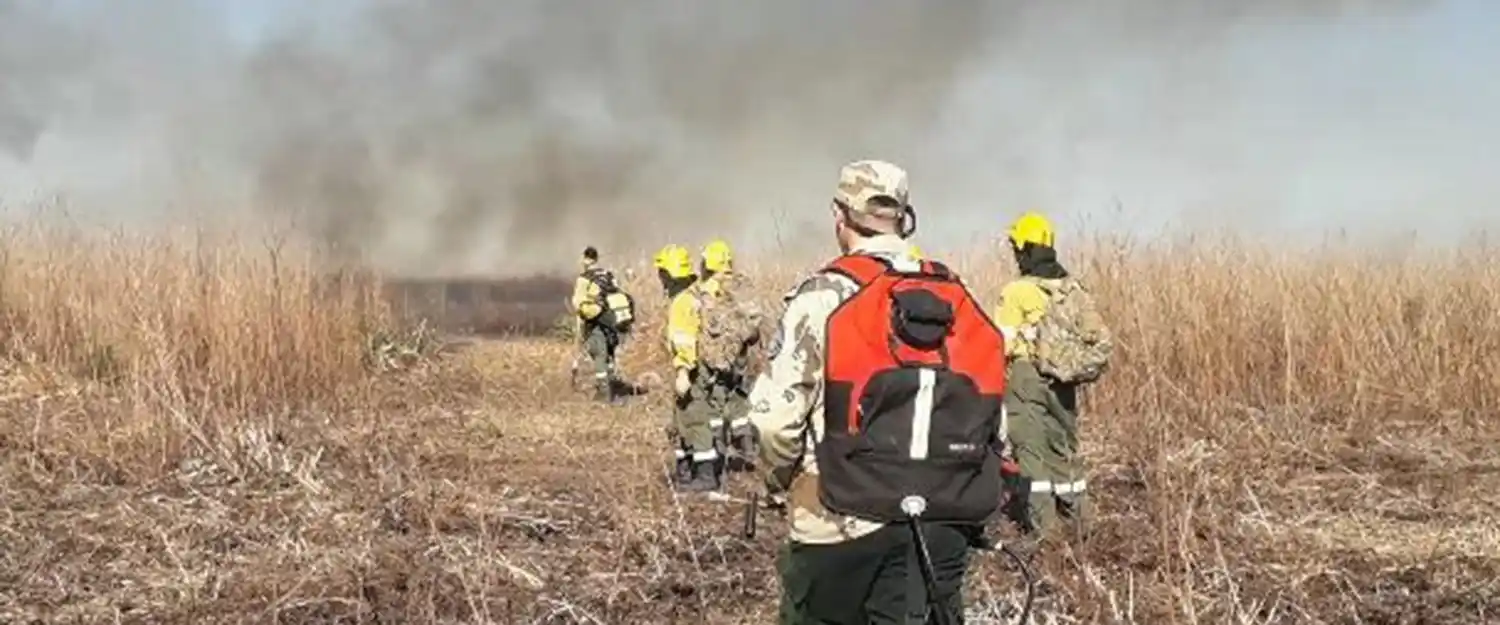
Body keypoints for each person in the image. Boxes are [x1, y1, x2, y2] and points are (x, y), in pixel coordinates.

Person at [746, 160, 1009, 624]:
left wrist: (777, 480)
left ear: (839, 214)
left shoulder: (822, 296)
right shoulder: (952, 294)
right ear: (904, 216)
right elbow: (991, 416)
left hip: (840, 520)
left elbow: (774, 420)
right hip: (942, 517)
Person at [993, 211, 1112, 539]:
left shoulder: (1016, 291)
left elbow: (1001, 343)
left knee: (1031, 452)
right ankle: (1080, 522)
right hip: (1064, 379)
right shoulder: (1071, 288)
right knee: (1062, 448)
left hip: (1026, 377)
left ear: (1022, 248)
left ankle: (1044, 532)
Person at [655, 244, 720, 493]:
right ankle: (685, 470)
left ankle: (705, 476)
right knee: (681, 419)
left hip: (692, 368)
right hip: (698, 365)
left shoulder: (683, 301)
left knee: (694, 419)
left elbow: (685, 338)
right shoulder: (696, 294)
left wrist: (683, 371)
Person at [697, 238, 759, 466]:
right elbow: (753, 325)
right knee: (739, 400)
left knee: (714, 402)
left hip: (715, 358)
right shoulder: (742, 285)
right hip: (740, 357)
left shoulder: (707, 291)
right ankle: (746, 447)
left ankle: (717, 451)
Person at [570, 246, 636, 404]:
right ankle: (614, 386)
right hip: (612, 321)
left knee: (599, 355)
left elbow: (578, 303)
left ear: (585, 259)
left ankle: (604, 392)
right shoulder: (608, 275)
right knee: (610, 356)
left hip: (596, 323)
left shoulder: (584, 279)